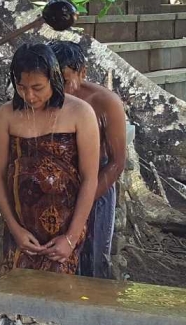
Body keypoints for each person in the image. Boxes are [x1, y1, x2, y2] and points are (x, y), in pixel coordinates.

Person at [0, 43, 99, 274]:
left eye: (38, 87)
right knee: (15, 292)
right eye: (22, 87)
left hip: (66, 229)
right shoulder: (6, 115)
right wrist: (14, 228)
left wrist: (70, 238)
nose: (29, 95)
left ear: (55, 79)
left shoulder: (81, 112)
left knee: (58, 296)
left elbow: (90, 178)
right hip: (21, 230)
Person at [51, 40, 127, 279]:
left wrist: (82, 201)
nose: (57, 89)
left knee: (93, 261)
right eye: (51, 81)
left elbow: (117, 163)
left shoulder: (105, 102)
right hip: (56, 187)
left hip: (97, 185)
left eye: (63, 81)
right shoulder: (42, 97)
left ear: (82, 73)